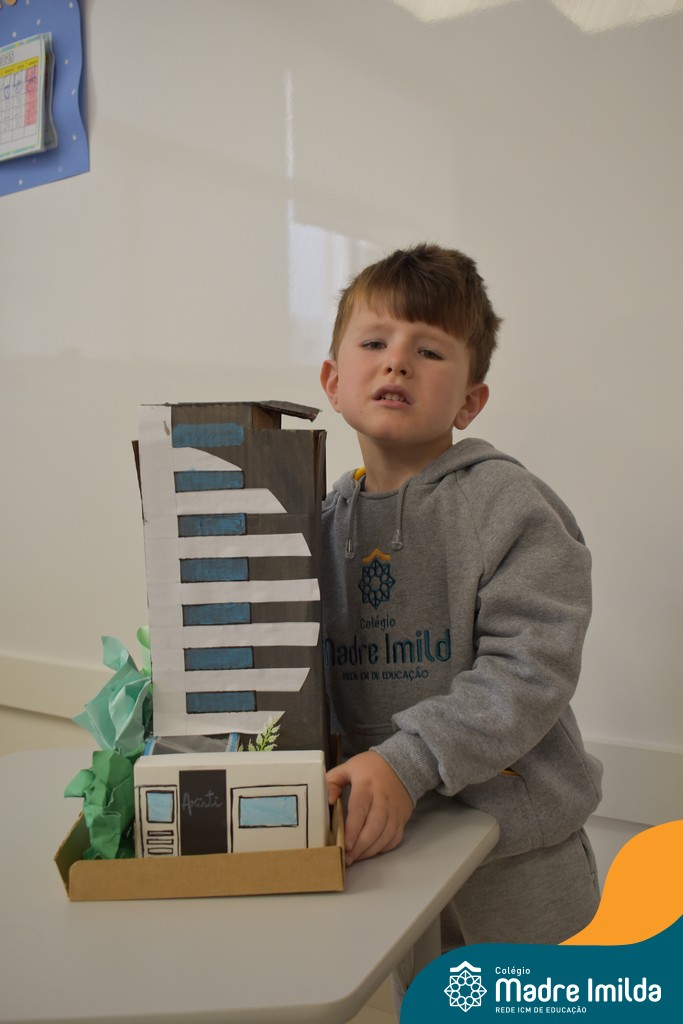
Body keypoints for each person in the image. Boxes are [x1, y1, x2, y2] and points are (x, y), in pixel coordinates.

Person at [318, 243, 602, 1003]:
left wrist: (408, 761)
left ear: (470, 402)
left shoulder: (508, 504)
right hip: (393, 852)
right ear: (333, 382)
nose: (396, 362)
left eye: (428, 350)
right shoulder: (317, 521)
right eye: (374, 343)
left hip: (516, 864)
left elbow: (528, 671)